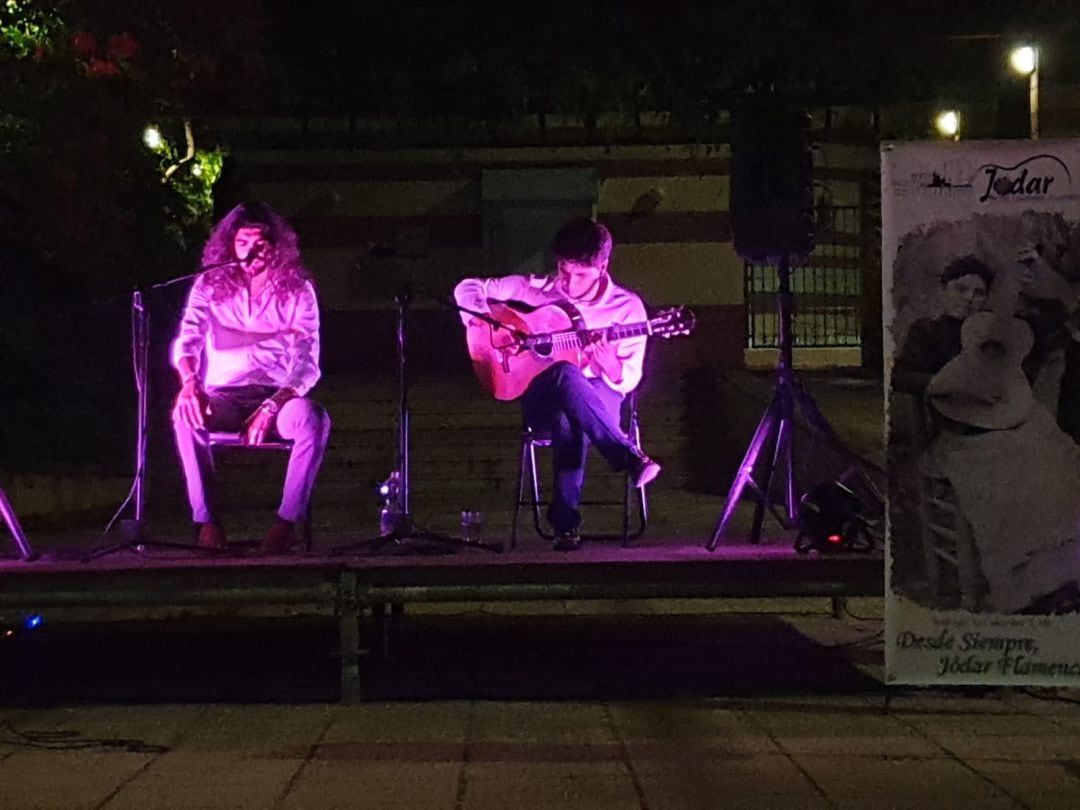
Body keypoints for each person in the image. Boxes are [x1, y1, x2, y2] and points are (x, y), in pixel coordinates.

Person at [453, 218, 661, 551]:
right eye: (563, 270)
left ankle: (565, 527)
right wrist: (485, 323)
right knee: (564, 377)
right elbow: (467, 288)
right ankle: (628, 457)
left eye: (579, 274)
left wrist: (607, 363)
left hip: (601, 397)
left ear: (602, 267)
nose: (568, 281)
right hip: (541, 398)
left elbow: (630, 379)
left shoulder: (627, 308)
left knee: (571, 411)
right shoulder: (534, 289)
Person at [171, 202, 331, 553]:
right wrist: (189, 383)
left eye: (260, 242)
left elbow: (308, 363)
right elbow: (189, 338)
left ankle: (285, 525)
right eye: (243, 242)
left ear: (276, 246)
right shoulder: (209, 284)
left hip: (278, 396)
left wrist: (273, 405)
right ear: (230, 245)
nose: (251, 251)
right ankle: (207, 522)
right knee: (184, 417)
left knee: (314, 418)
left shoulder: (298, 289)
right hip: (224, 396)